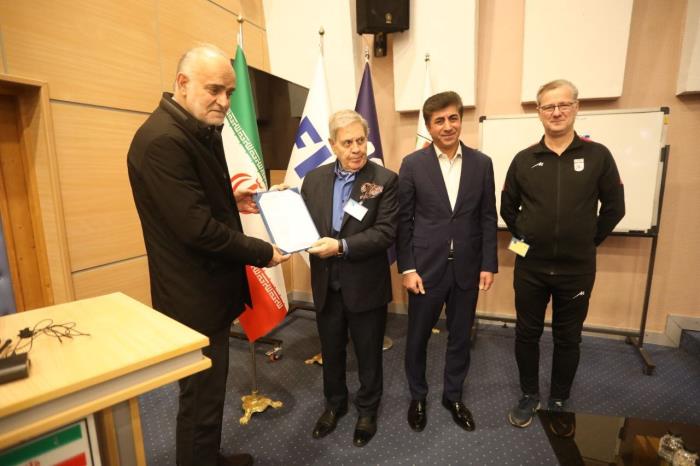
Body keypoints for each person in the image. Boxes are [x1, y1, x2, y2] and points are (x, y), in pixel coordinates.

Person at [127, 45, 288, 466]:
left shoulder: (194, 128)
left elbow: (195, 203)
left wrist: (232, 200)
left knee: (211, 392)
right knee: (200, 398)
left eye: (229, 92)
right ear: (182, 83)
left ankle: (208, 457)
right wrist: (263, 251)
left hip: (210, 290)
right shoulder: (163, 141)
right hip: (192, 297)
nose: (224, 101)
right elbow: (196, 229)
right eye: (214, 89)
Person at [501, 79, 625, 428]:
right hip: (531, 268)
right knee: (526, 333)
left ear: (576, 107)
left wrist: (586, 241)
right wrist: (525, 239)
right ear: (539, 112)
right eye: (548, 106)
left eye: (563, 105)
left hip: (576, 270)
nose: (556, 112)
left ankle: (558, 400)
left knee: (568, 337)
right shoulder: (524, 159)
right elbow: (508, 208)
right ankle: (529, 395)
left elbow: (615, 208)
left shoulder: (598, 155)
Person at [397, 91, 498, 433]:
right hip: (425, 269)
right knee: (417, 338)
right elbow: (404, 221)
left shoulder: (482, 164)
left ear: (461, 120)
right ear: (429, 127)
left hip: (467, 267)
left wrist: (488, 263)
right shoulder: (413, 164)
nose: (447, 126)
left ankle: (452, 396)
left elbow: (487, 217)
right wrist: (408, 268)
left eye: (453, 118)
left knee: (460, 338)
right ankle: (418, 396)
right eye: (439, 120)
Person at [301, 109, 398, 447]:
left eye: (361, 140)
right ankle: (334, 405)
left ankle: (367, 410)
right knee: (331, 350)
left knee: (369, 354)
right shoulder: (313, 179)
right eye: (347, 143)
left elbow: (385, 233)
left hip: (365, 285)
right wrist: (282, 200)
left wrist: (341, 246)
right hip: (326, 283)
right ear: (333, 145)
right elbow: (302, 222)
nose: (357, 149)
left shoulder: (385, 179)